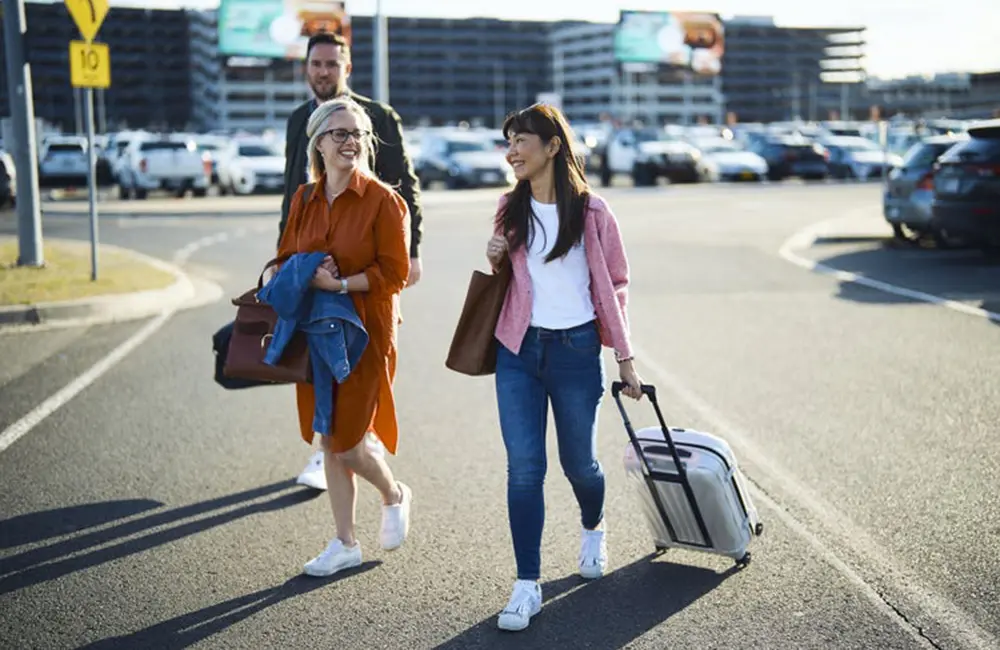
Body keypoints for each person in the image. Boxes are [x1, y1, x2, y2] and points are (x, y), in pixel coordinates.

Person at [485, 104, 643, 632]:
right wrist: (496, 255)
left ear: (552, 146)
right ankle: (526, 584)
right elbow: (506, 275)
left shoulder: (593, 211)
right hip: (518, 351)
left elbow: (615, 284)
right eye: (508, 142)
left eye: (521, 141)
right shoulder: (510, 207)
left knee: (581, 465)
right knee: (525, 468)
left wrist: (624, 358)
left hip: (576, 351)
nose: (512, 151)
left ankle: (593, 527)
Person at [280, 31, 424, 492]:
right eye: (316, 64)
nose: (324, 72)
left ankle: (362, 440)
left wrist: (413, 250)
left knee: (370, 349)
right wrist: (286, 265)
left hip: (372, 256)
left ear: (347, 68)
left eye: (332, 64)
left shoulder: (379, 116)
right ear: (307, 69)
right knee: (318, 356)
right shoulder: (297, 121)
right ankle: (333, 447)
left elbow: (406, 186)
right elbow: (291, 193)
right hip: (314, 255)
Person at [278, 97, 412, 576]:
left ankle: (393, 492)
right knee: (330, 436)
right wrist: (305, 269)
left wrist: (340, 283)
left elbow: (395, 273)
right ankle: (345, 542)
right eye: (340, 133)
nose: (351, 142)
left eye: (358, 134)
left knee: (351, 442)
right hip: (315, 332)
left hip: (366, 334)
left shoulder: (384, 200)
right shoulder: (303, 199)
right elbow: (283, 258)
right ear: (318, 142)